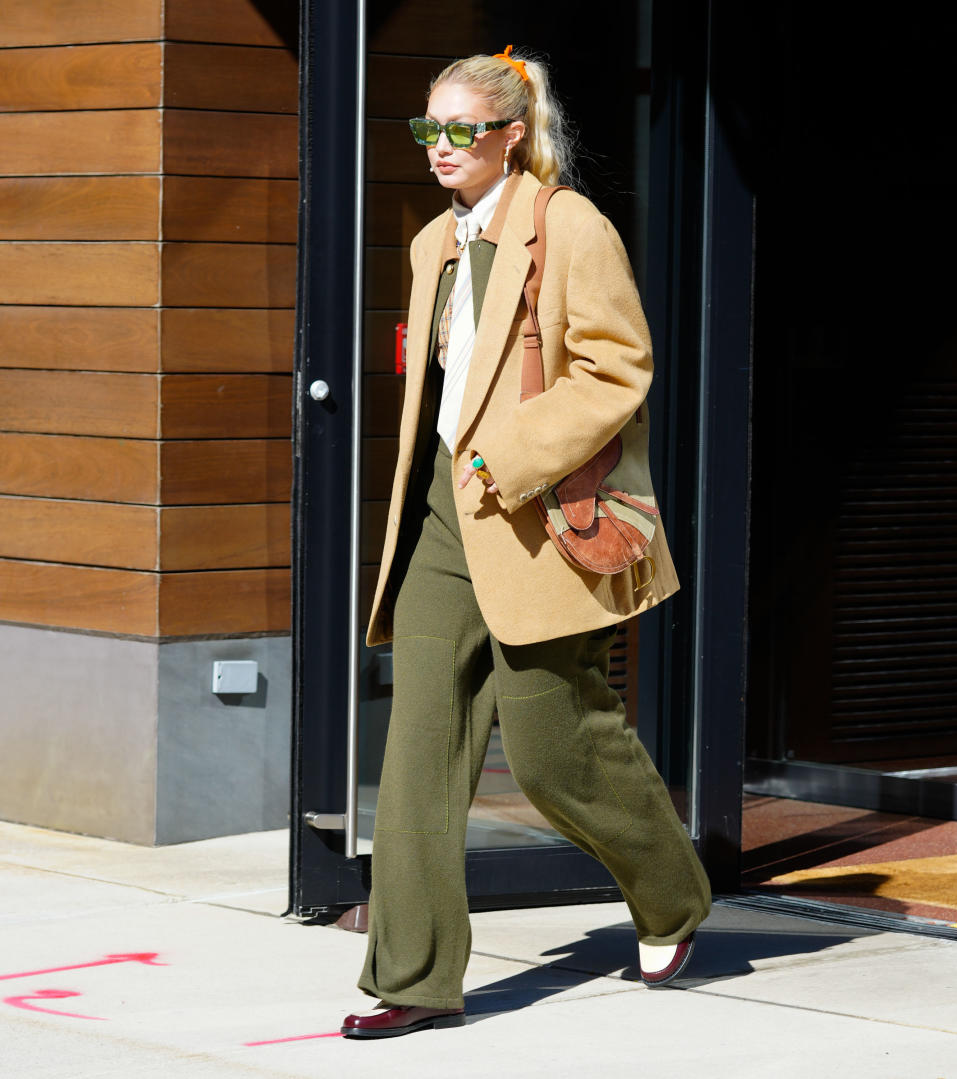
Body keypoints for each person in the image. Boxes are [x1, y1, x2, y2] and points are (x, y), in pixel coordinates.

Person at [341, 45, 711, 1040]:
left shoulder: (568, 224)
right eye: (430, 130)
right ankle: (414, 977)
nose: (442, 148)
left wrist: (507, 456)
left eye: (462, 129)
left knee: (552, 751)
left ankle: (672, 891)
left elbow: (617, 368)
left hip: (530, 513)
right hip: (435, 520)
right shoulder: (431, 246)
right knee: (419, 748)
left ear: (509, 133)